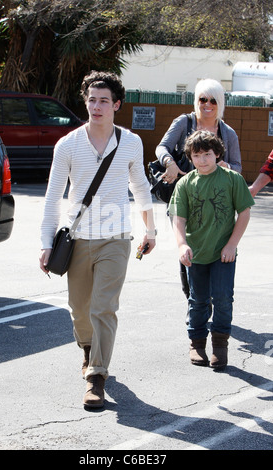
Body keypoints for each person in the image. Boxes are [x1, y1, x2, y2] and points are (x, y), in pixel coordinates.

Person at [39, 70, 156, 408]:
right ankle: (89, 351)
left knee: (104, 307)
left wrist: (150, 230)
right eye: (91, 99)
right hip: (77, 238)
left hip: (116, 239)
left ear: (117, 105)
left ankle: (96, 377)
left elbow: (141, 190)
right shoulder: (68, 145)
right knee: (79, 310)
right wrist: (46, 243)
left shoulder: (131, 143)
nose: (96, 106)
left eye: (104, 100)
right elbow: (51, 198)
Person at [170, 130, 254, 370]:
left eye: (207, 154)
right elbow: (178, 218)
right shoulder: (185, 183)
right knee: (198, 300)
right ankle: (196, 343)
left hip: (223, 254)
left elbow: (244, 212)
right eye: (196, 155)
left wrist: (232, 244)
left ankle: (220, 345)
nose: (203, 160)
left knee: (223, 298)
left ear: (217, 154)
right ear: (190, 158)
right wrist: (181, 244)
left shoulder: (231, 179)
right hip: (195, 254)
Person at [155, 78, 242, 306]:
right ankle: (194, 301)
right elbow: (162, 146)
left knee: (216, 249)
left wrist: (228, 168)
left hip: (216, 203)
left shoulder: (227, 132)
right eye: (203, 99)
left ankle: (212, 301)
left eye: (213, 100)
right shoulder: (185, 122)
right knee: (187, 247)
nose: (208, 104)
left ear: (220, 103)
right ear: (197, 101)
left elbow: (238, 166)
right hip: (186, 195)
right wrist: (169, 162)